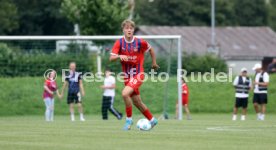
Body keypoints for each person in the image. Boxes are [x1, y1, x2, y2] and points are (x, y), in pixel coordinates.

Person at [110, 19, 159, 130]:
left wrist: (154, 63)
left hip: (138, 74)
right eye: (127, 28)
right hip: (127, 77)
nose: (129, 30)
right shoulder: (119, 43)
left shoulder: (140, 42)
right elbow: (111, 58)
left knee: (124, 94)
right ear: (123, 30)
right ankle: (152, 120)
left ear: (133, 30)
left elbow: (150, 49)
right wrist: (119, 56)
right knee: (137, 102)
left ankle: (129, 120)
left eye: (131, 28)